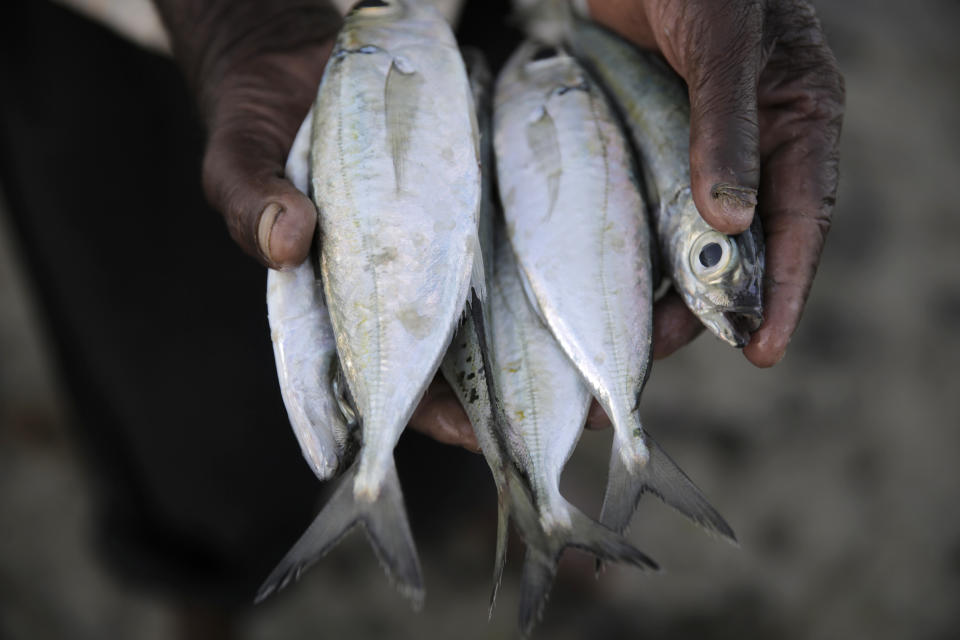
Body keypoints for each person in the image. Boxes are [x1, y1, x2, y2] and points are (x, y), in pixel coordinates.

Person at [0, 0, 842, 636]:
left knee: (479, 301)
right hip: (142, 38)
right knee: (178, 387)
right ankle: (206, 586)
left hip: (441, 28)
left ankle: (494, 494)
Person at [152, 0, 844, 444]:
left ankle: (513, 497)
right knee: (190, 355)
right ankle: (202, 578)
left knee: (484, 340)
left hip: (482, 28)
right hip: (204, 43)